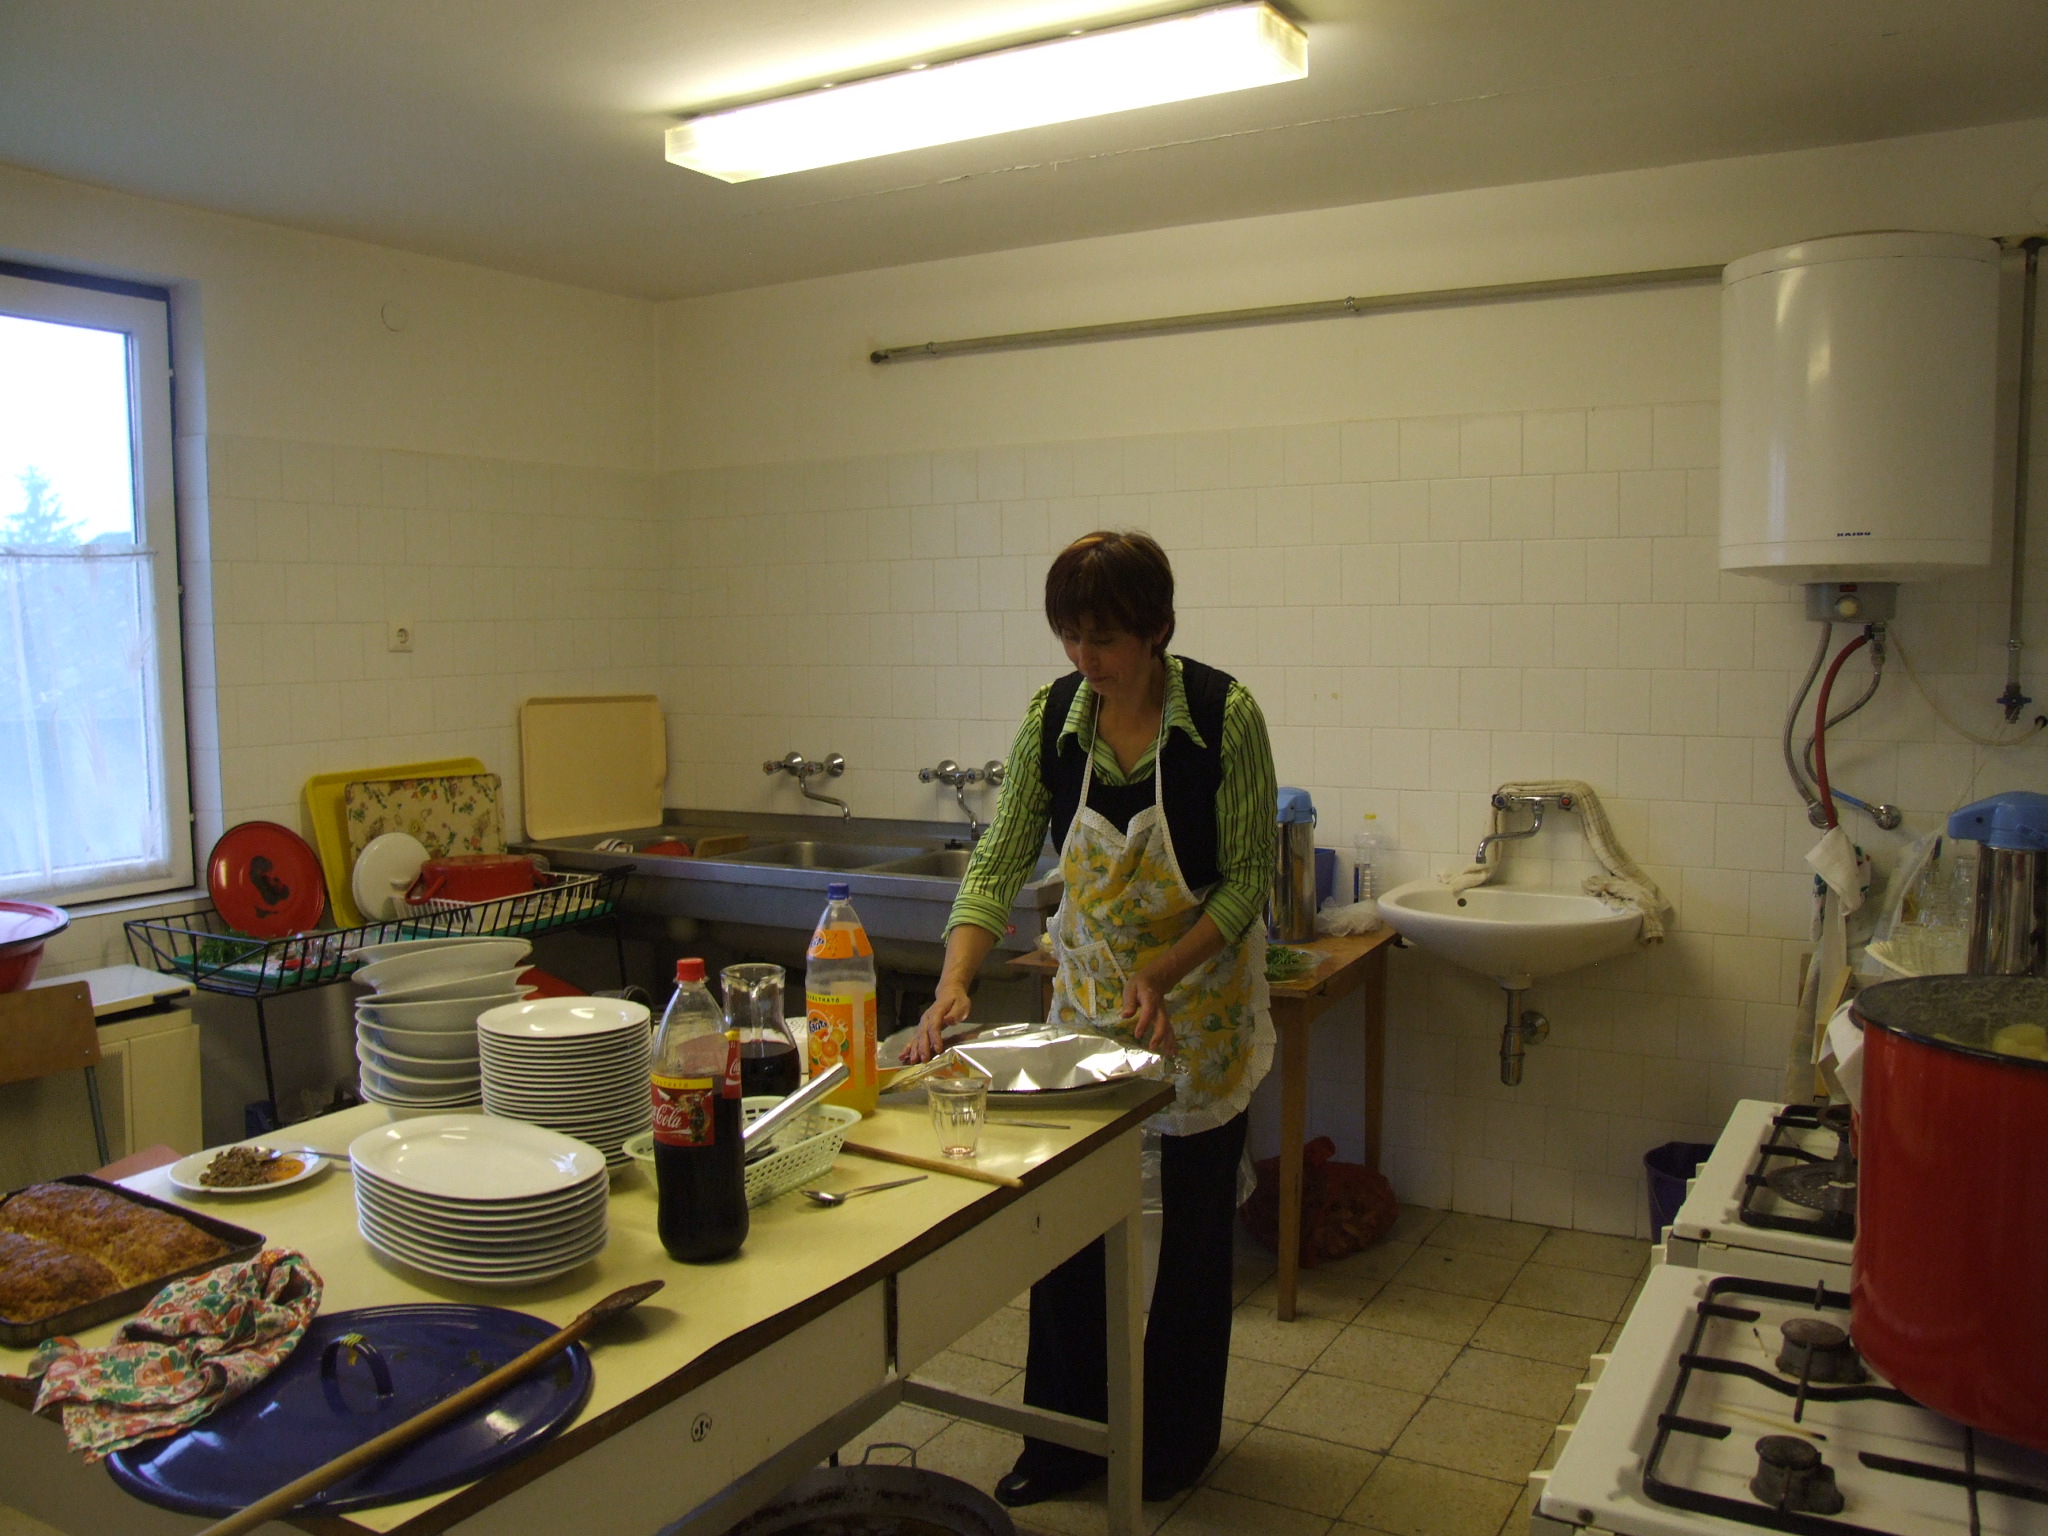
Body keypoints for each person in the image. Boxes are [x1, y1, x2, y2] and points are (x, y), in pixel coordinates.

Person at [909, 530, 1277, 1507]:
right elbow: (999, 859)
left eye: (1104, 639)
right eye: (1070, 637)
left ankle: (1173, 1449)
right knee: (1067, 1225)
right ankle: (1060, 1443)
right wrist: (955, 979)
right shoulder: (1055, 719)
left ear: (1155, 630)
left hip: (1198, 1014)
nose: (1085, 659)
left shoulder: (1222, 716)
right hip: (1086, 1006)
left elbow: (1248, 878)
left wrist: (1166, 969)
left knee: (1191, 1239)